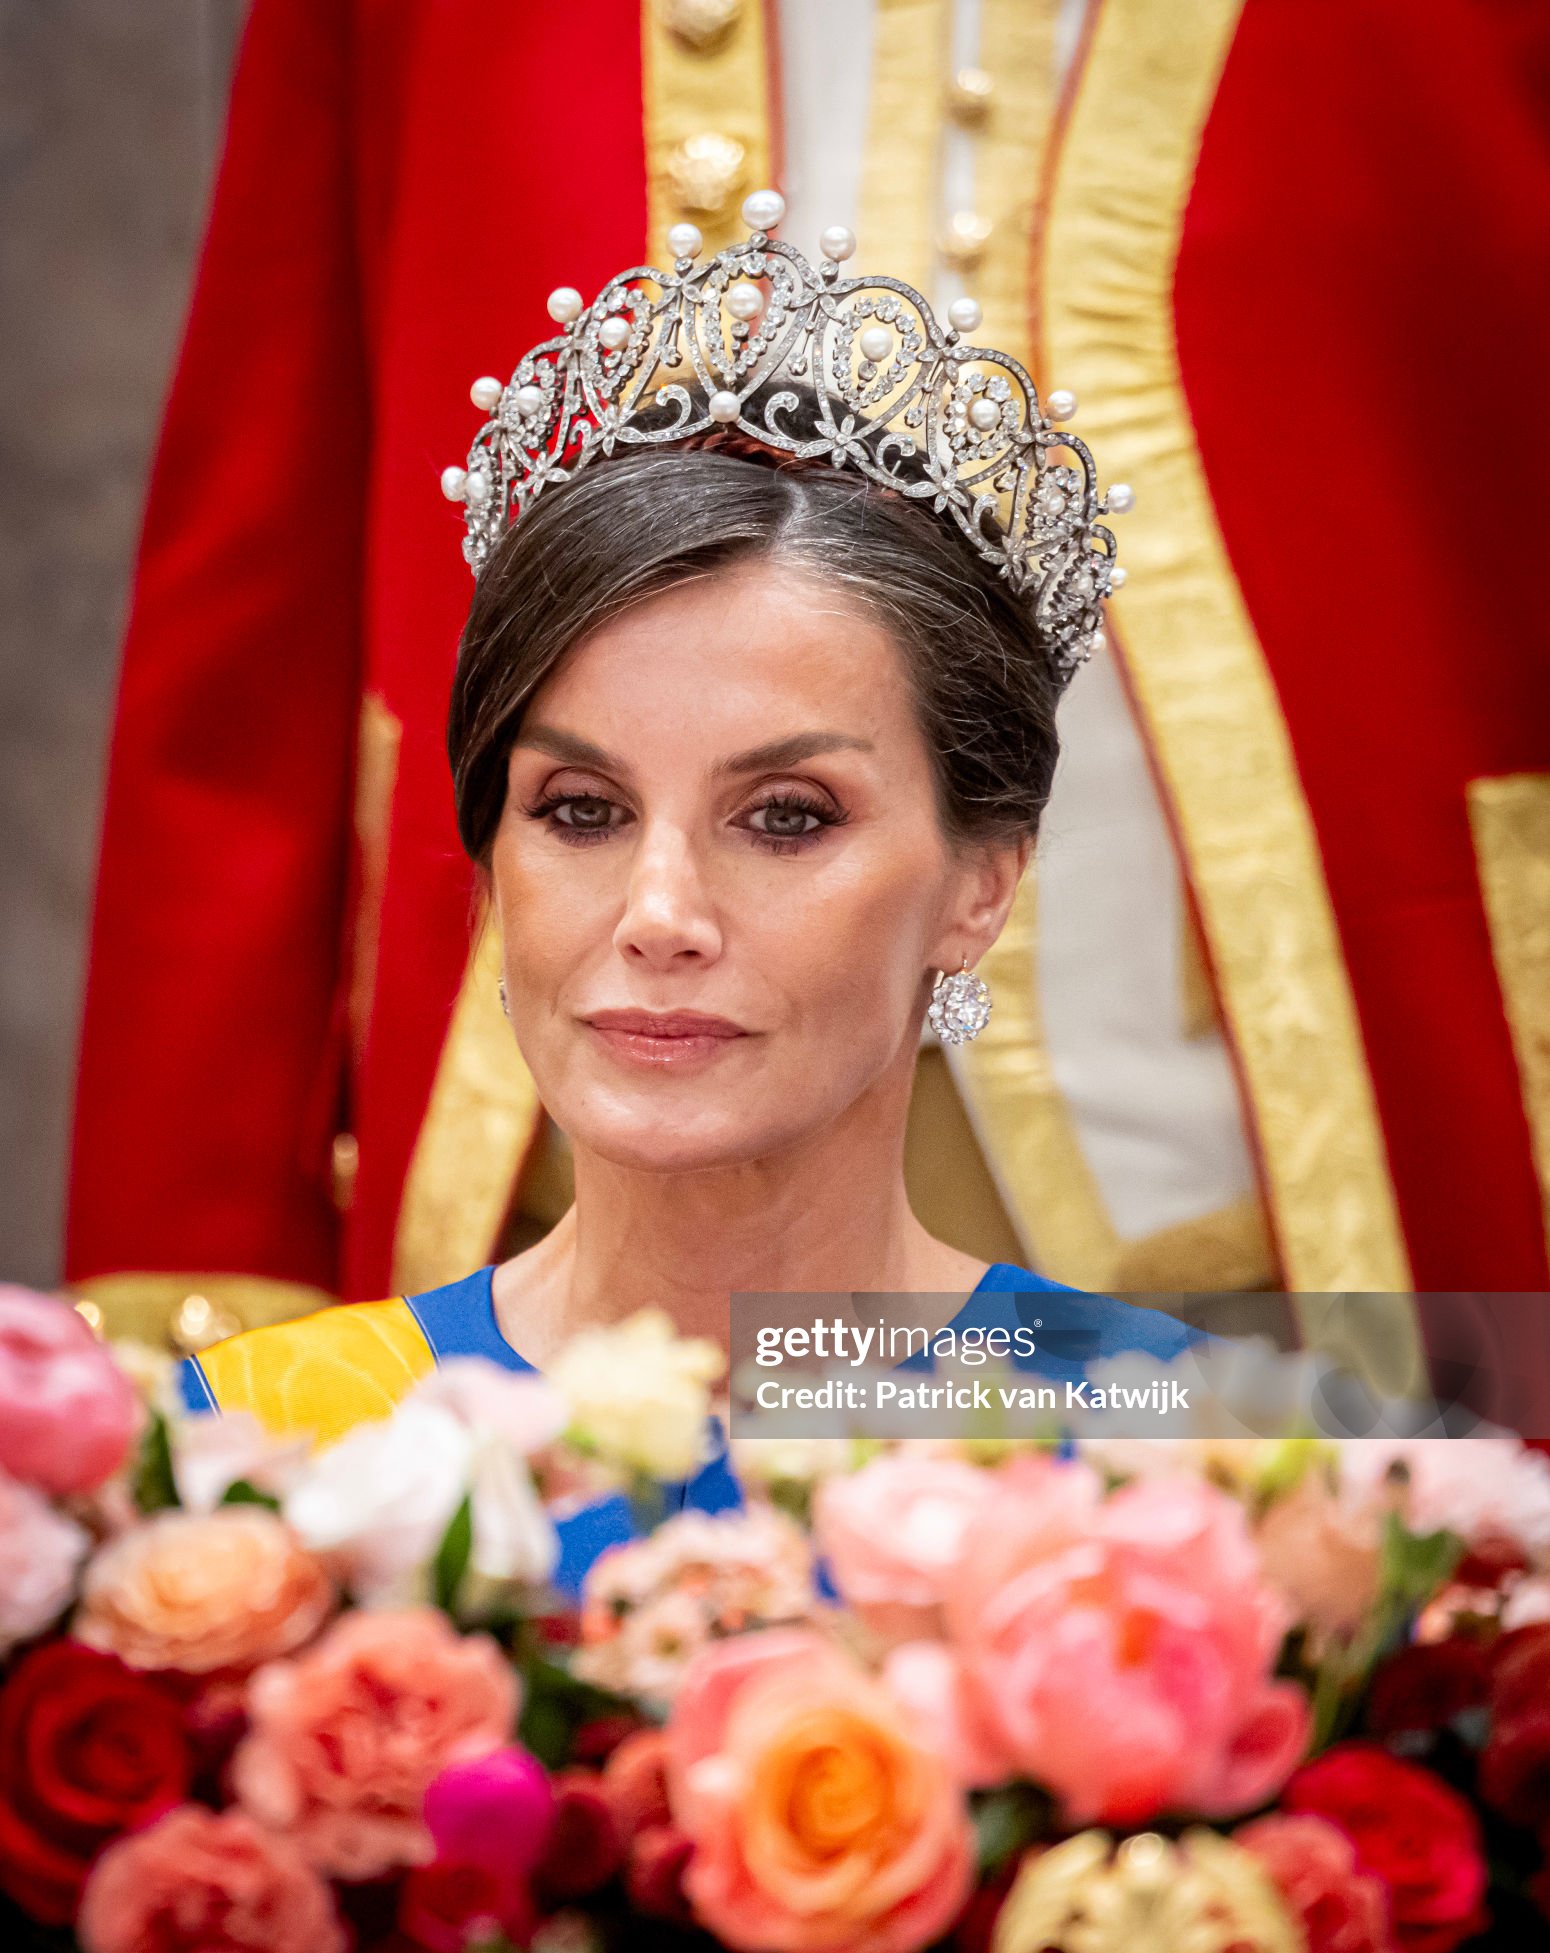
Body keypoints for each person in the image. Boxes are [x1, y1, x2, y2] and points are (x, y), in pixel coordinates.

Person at [179, 195, 1195, 1560]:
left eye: (783, 816)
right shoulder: (253, 1464)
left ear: (980, 886)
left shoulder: (1195, 1474)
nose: (658, 917)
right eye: (581, 810)